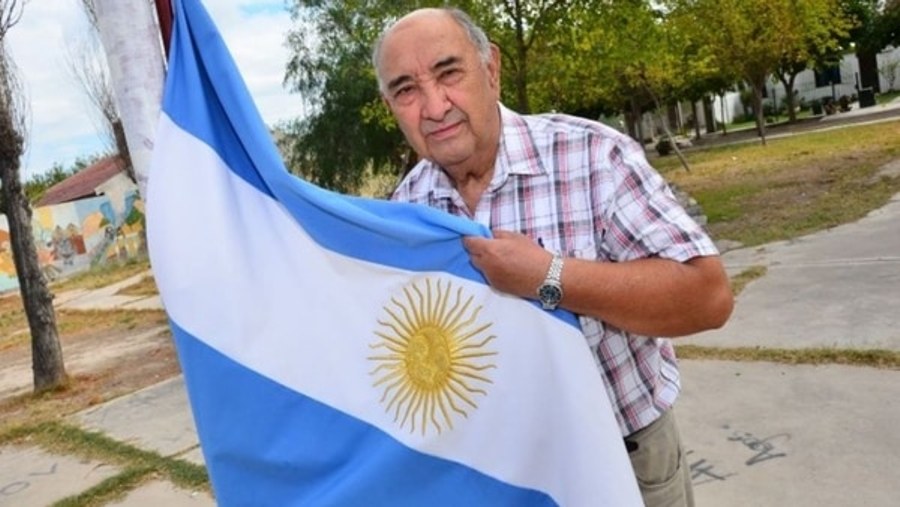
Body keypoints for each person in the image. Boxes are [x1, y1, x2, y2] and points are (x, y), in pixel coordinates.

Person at [372, 7, 734, 506]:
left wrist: (550, 276)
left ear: (491, 69)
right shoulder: (405, 209)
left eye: (448, 73)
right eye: (406, 90)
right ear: (390, 105)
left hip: (624, 461)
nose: (434, 107)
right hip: (498, 477)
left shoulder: (592, 157)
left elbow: (708, 297)